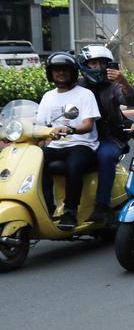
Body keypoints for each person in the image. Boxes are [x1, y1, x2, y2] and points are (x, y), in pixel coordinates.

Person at [38, 53, 102, 230]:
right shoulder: (48, 96)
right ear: (50, 73)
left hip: (82, 144)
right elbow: (41, 125)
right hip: (56, 145)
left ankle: (70, 211)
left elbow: (88, 125)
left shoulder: (85, 94)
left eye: (65, 70)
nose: (61, 73)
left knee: (73, 165)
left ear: (73, 73)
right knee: (35, 161)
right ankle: (47, 206)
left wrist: (70, 129)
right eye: (56, 70)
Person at [77, 45, 134, 224]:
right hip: (80, 136)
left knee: (106, 156)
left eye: (103, 63)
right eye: (93, 63)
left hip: (109, 137)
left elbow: (130, 100)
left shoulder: (113, 86)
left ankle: (102, 206)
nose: (99, 68)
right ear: (85, 65)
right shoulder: (77, 85)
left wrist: (123, 81)